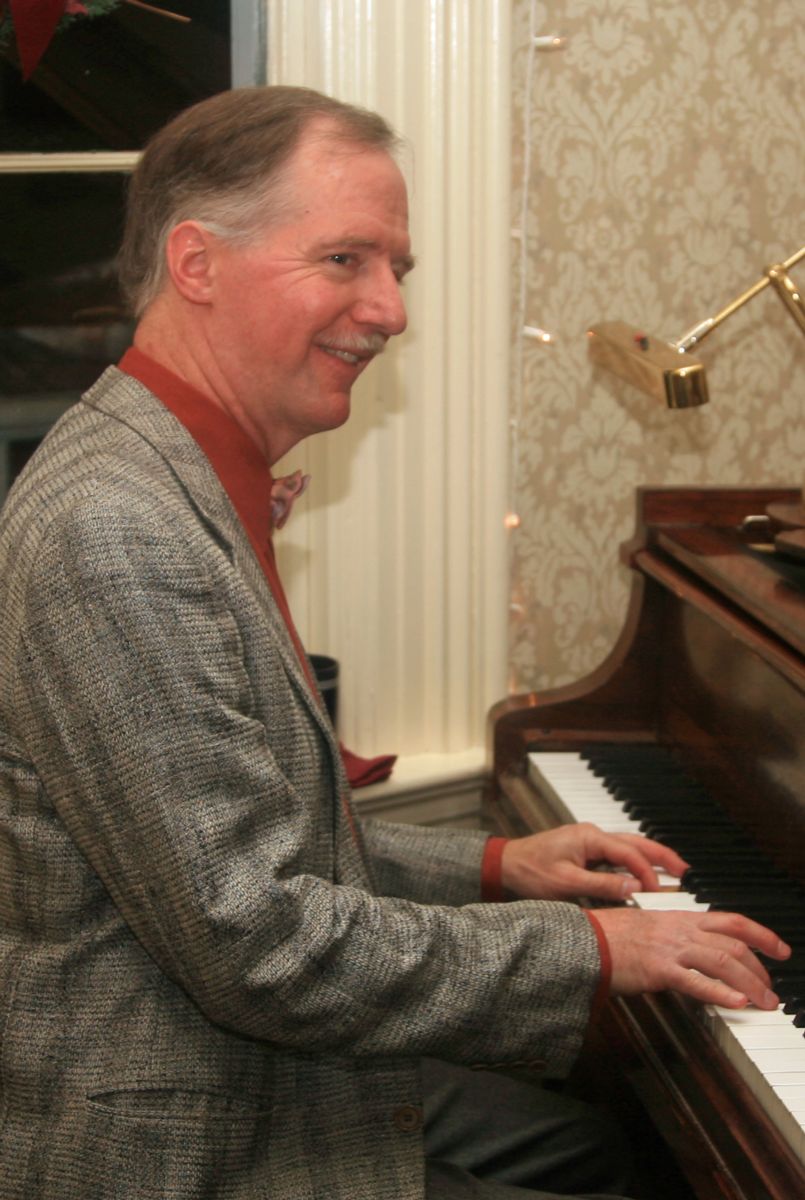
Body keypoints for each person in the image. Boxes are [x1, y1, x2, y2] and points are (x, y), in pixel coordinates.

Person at [0, 86, 789, 1200]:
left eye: (397, 270)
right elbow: (261, 945)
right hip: (175, 1124)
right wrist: (598, 950)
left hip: (225, 1046)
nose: (389, 310)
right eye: (344, 260)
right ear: (196, 264)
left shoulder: (175, 468)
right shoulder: (118, 529)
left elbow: (255, 833)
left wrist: (495, 865)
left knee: (596, 1147)